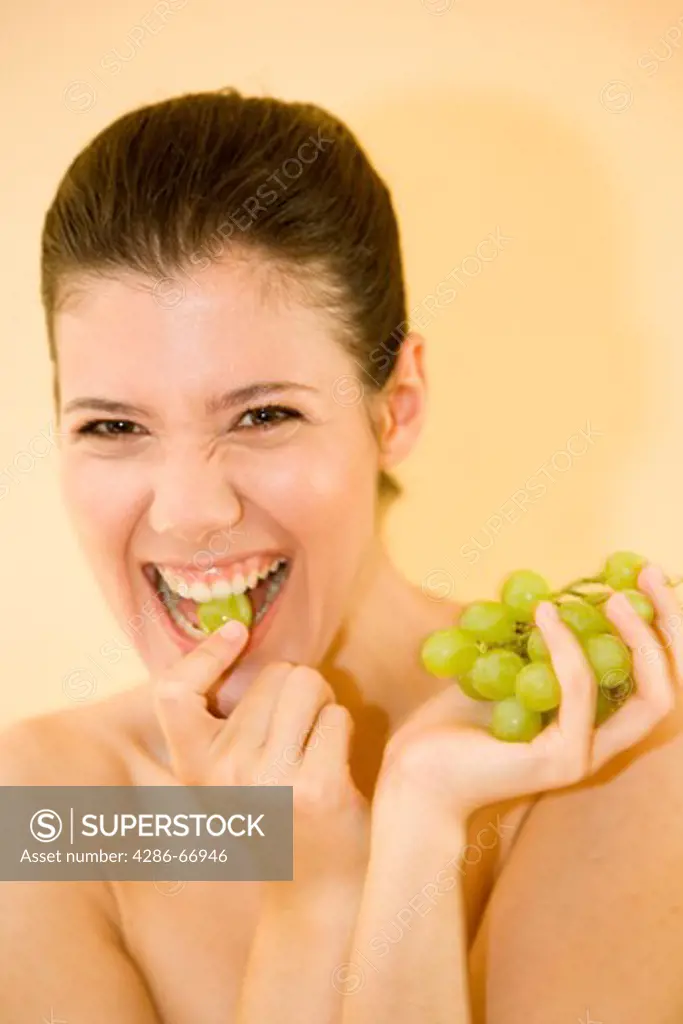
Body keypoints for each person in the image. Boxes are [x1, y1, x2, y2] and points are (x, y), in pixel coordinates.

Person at [3, 87, 683, 1024]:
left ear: (394, 406)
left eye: (264, 415)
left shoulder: (604, 750)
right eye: (114, 425)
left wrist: (419, 822)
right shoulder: (50, 810)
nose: (191, 511)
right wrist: (310, 889)